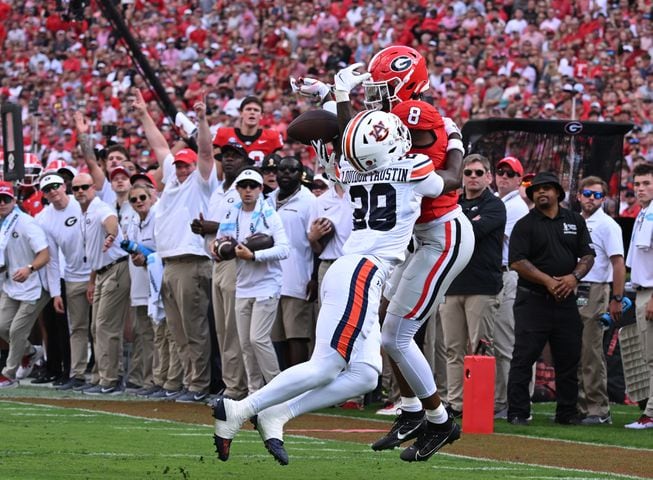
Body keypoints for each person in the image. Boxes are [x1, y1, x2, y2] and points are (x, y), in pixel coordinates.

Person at [212, 109, 446, 465]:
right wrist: (454, 139)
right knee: (325, 365)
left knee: (365, 375)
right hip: (363, 271)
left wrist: (339, 100)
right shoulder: (412, 167)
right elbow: (449, 182)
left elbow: (348, 144)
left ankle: (279, 414)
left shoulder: (350, 171)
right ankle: (241, 408)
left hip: (351, 270)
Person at [132, 90, 217, 403]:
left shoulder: (202, 183)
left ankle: (199, 384)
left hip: (191, 262)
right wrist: (143, 115)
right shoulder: (171, 181)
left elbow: (206, 153)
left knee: (194, 329)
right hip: (169, 264)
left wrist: (202, 121)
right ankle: (187, 380)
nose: (181, 170)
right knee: (178, 331)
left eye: (185, 165)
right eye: (179, 166)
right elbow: (159, 146)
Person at [507, 171, 595, 425]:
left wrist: (573, 278)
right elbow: (516, 262)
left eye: (547, 188)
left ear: (558, 192)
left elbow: (588, 255)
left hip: (566, 298)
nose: (541, 192)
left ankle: (567, 413)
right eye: (537, 189)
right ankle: (518, 412)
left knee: (569, 357)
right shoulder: (525, 225)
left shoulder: (575, 220)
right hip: (532, 299)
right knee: (524, 357)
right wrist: (547, 280)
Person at [437, 154, 506, 418]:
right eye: (468, 173)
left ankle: (479, 404)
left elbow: (467, 232)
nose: (473, 177)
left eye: (479, 172)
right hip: (452, 283)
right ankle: (456, 403)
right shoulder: (454, 202)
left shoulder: (495, 206)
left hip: (482, 286)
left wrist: (456, 224)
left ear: (489, 177)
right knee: (453, 348)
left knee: (479, 348)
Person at [217, 167, 290, 394]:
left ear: (260, 189)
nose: (248, 190)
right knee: (246, 343)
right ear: (237, 189)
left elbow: (284, 249)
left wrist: (255, 255)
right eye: (243, 186)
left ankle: (278, 390)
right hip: (243, 284)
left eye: (253, 186)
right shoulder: (231, 213)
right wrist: (216, 248)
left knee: (258, 338)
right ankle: (254, 392)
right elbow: (220, 241)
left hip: (267, 283)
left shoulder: (269, 214)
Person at [71, 173, 130, 396]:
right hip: (102, 272)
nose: (80, 192)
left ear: (93, 188)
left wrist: (112, 235)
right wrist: (92, 281)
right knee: (97, 327)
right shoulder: (84, 212)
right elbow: (94, 252)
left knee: (106, 326)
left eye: (84, 187)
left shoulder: (100, 208)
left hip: (116, 268)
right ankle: (100, 376)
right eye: (76, 188)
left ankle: (111, 379)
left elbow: (111, 221)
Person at [575, 176, 625, 425]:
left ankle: (598, 408)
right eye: (587, 194)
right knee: (576, 349)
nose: (590, 199)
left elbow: (618, 263)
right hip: (575, 287)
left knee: (591, 349)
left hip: (595, 288)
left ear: (604, 199)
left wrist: (617, 297)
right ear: (578, 196)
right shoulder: (575, 222)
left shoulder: (607, 225)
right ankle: (581, 404)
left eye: (596, 195)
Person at [36, 174, 92, 390]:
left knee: (100, 327)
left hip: (97, 271)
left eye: (55, 186)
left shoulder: (82, 203)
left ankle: (103, 375)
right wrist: (55, 292)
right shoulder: (43, 218)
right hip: (70, 276)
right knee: (74, 328)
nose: (53, 191)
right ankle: (74, 373)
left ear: (64, 186)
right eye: (47, 189)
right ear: (44, 193)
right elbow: (50, 258)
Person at [267, 156, 317, 367]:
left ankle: (297, 390)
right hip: (269, 278)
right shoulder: (268, 200)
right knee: (275, 337)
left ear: (300, 175)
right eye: (282, 169)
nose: (286, 173)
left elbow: (316, 243)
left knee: (296, 336)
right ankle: (280, 387)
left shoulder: (309, 202)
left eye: (292, 170)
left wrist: (314, 278)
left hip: (297, 278)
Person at [0, 181, 50, 389]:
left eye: (5, 199)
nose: (2, 203)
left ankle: (8, 374)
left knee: (16, 331)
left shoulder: (26, 222)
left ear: (14, 200)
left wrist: (29, 268)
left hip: (34, 285)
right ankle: (29, 352)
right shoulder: (1, 224)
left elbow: (45, 254)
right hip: (11, 284)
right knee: (2, 326)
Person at [492, 156, 529, 419]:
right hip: (496, 275)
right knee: (496, 341)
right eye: (500, 171)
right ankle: (500, 399)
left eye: (509, 173)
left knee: (506, 342)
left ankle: (510, 402)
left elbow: (493, 236)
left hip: (509, 274)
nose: (503, 176)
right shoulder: (499, 201)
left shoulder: (515, 206)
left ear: (519, 180)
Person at [624, 162, 653, 429]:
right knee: (647, 355)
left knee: (652, 356)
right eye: (638, 184)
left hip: (651, 292)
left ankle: (651, 414)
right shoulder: (643, 213)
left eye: (646, 183)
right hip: (641, 289)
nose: (641, 189)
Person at [212, 96, 283, 167]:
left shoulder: (272, 137)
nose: (252, 112)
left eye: (256, 110)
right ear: (241, 113)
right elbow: (216, 169)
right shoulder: (223, 134)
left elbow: (277, 168)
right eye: (248, 109)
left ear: (261, 115)